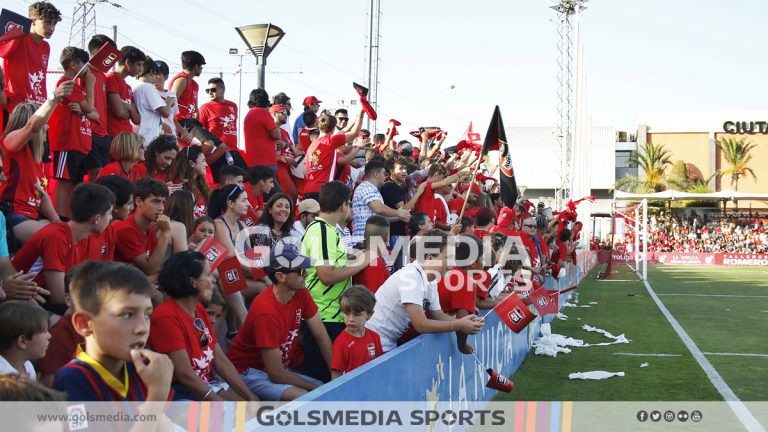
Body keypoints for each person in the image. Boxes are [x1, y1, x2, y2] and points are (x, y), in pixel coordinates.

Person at [53, 261, 174, 403]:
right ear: (84, 324)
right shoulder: (72, 378)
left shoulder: (143, 363)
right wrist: (156, 398)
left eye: (147, 315)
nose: (143, 328)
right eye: (127, 315)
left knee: (202, 419)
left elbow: (164, 424)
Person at [227, 245, 331, 401]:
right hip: (248, 372)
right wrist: (316, 388)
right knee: (307, 397)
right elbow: (276, 374)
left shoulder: (299, 292)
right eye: (301, 271)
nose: (307, 274)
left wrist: (337, 375)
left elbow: (322, 336)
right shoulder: (265, 310)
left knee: (325, 389)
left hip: (275, 369)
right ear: (281, 276)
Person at [149, 251, 257, 401]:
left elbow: (221, 361)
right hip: (178, 393)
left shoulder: (198, 309)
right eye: (207, 275)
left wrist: (251, 398)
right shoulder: (165, 316)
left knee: (248, 410)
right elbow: (185, 375)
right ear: (192, 282)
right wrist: (221, 403)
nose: (213, 280)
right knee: (229, 419)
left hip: (205, 384)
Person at [366, 230, 484, 352]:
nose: (452, 264)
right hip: (373, 342)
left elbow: (438, 315)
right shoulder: (410, 276)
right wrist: (459, 325)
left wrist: (464, 322)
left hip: (386, 342)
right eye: (447, 258)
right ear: (430, 258)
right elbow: (421, 325)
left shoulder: (430, 278)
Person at [299, 181, 371, 381]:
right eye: (348, 204)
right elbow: (326, 275)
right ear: (342, 206)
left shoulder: (328, 230)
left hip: (331, 316)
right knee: (322, 381)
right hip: (323, 317)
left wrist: (352, 257)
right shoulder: (321, 230)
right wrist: (363, 262)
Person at [11, 183, 116, 316]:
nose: (111, 218)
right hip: (20, 301)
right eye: (110, 213)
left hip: (41, 300)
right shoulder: (57, 237)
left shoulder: (80, 236)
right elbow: (58, 297)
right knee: (81, 316)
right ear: (97, 219)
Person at [0, 81, 73, 244]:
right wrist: (54, 99)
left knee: (64, 232)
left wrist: (57, 221)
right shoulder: (10, 142)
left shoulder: (35, 158)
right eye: (45, 122)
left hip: (31, 217)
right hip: (11, 215)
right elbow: (32, 127)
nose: (47, 127)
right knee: (57, 239)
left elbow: (41, 192)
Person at [49, 46, 96, 219]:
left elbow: (92, 111)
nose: (88, 69)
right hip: (67, 142)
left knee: (74, 183)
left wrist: (85, 109)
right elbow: (90, 106)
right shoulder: (65, 83)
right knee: (64, 181)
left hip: (80, 143)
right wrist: (91, 85)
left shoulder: (78, 87)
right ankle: (59, 219)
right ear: (74, 65)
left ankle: (68, 217)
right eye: (85, 64)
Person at [0, 2, 62, 117]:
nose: (52, 28)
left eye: (54, 23)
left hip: (38, 108)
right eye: (47, 22)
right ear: (33, 21)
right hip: (16, 108)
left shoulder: (46, 47)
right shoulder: (17, 36)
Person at [437, 234, 487, 354]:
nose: (484, 262)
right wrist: (462, 345)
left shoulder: (447, 270)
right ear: (472, 263)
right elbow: (463, 322)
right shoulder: (465, 281)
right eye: (482, 258)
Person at [113, 178, 171, 278]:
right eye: (155, 202)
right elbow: (151, 269)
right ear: (139, 201)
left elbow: (153, 269)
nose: (161, 208)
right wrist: (165, 234)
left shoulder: (150, 232)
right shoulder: (126, 229)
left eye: (163, 202)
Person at [303, 110, 365, 200]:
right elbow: (355, 133)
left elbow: (305, 172)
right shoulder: (330, 140)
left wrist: (356, 118)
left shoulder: (311, 146)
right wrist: (361, 115)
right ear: (333, 130)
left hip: (308, 190)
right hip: (323, 190)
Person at [351, 159, 410, 242]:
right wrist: (398, 213)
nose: (385, 176)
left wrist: (399, 217)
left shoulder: (374, 190)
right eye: (384, 173)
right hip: (363, 241)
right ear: (376, 174)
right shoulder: (365, 187)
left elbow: (381, 217)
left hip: (373, 241)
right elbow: (378, 208)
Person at [330, 286, 383, 379]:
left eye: (357, 314)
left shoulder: (375, 337)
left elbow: (380, 366)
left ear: (369, 315)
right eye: (346, 313)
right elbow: (335, 377)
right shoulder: (341, 342)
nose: (350, 319)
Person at [84, 34, 117, 180]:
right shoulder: (84, 71)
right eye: (110, 53)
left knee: (105, 173)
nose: (112, 59)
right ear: (97, 51)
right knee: (96, 174)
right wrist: (91, 115)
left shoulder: (103, 76)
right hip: (89, 131)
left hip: (103, 133)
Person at [0, 301, 49, 379]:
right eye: (45, 331)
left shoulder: (27, 366)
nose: (49, 336)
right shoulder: (4, 377)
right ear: (23, 341)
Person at [105, 45, 144, 138]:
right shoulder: (111, 79)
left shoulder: (128, 87)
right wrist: (130, 108)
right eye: (139, 64)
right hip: (114, 137)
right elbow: (120, 112)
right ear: (128, 63)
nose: (141, 69)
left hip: (127, 137)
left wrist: (127, 107)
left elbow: (137, 119)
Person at [132, 57, 172, 146]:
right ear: (152, 72)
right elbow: (165, 112)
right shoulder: (148, 87)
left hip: (139, 136)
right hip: (149, 138)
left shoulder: (136, 88)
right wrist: (169, 101)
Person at [243, 88, 281, 172]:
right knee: (271, 184)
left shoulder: (249, 114)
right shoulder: (262, 113)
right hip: (265, 162)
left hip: (253, 161)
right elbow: (277, 135)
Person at [352, 215, 391, 294]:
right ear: (386, 237)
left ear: (364, 235)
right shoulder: (375, 264)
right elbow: (375, 298)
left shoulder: (358, 257)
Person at [168, 145, 210, 218]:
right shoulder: (178, 186)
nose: (206, 164)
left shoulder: (202, 185)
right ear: (192, 163)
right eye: (203, 161)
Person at [271, 104, 302, 200]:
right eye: (283, 113)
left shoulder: (285, 132)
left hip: (290, 168)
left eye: (286, 113)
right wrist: (283, 159)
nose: (286, 115)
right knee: (291, 194)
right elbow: (267, 153)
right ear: (274, 114)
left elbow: (295, 150)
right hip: (279, 167)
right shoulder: (269, 131)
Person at [170, 50, 206, 122]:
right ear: (196, 66)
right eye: (201, 66)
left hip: (191, 122)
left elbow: (196, 109)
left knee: (205, 133)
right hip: (179, 121)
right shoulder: (181, 80)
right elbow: (171, 103)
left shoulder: (195, 85)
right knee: (202, 133)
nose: (202, 68)